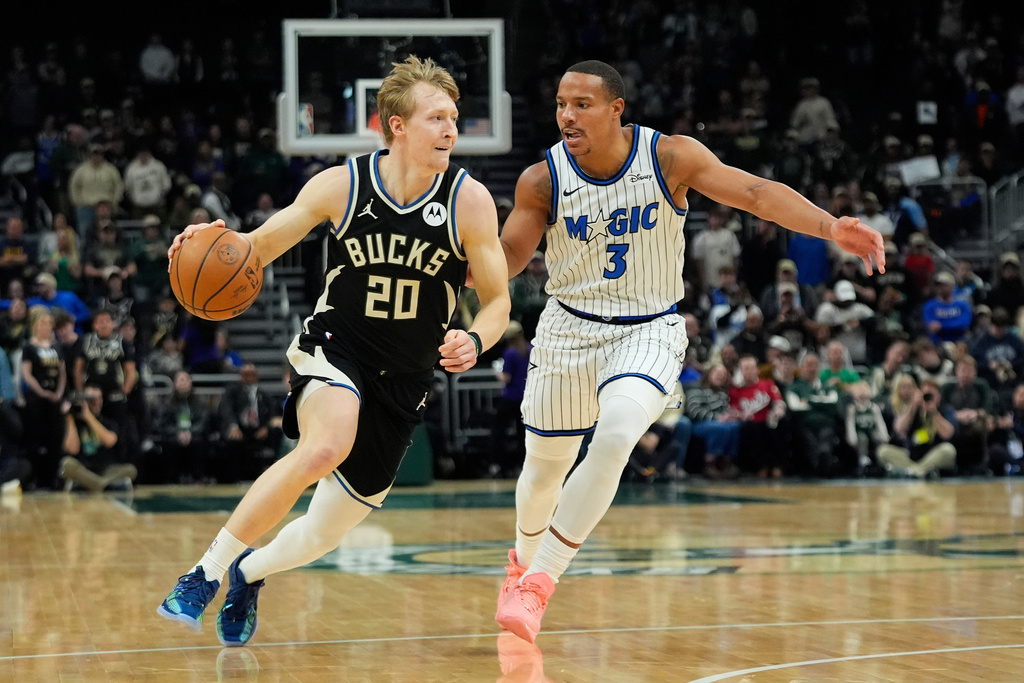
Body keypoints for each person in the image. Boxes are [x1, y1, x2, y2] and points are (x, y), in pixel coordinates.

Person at [489, 60, 885, 643]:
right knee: (544, 471)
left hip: (648, 327)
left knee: (620, 433)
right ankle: (520, 564)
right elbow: (509, 257)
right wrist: (455, 267)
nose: (566, 115)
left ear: (616, 108)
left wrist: (829, 227)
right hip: (567, 330)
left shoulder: (669, 156)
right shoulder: (542, 179)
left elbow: (754, 192)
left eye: (582, 104)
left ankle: (539, 583)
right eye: (560, 104)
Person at [157, 56, 511, 646]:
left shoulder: (470, 202)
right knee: (324, 446)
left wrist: (476, 338)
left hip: (405, 378)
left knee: (324, 533)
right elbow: (254, 248)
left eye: (454, 118)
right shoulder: (341, 185)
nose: (451, 130)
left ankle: (248, 572)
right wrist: (205, 240)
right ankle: (205, 572)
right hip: (334, 348)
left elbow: (499, 302)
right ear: (397, 125)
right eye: (437, 118)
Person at [59, 385, 136, 492]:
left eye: (99, 398)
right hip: (84, 468)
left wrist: (88, 417)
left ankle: (96, 484)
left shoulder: (108, 422)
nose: (96, 402)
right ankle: (101, 484)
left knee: (131, 470)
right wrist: (69, 418)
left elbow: (110, 441)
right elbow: (73, 449)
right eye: (91, 399)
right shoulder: (75, 423)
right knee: (66, 463)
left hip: (106, 469)